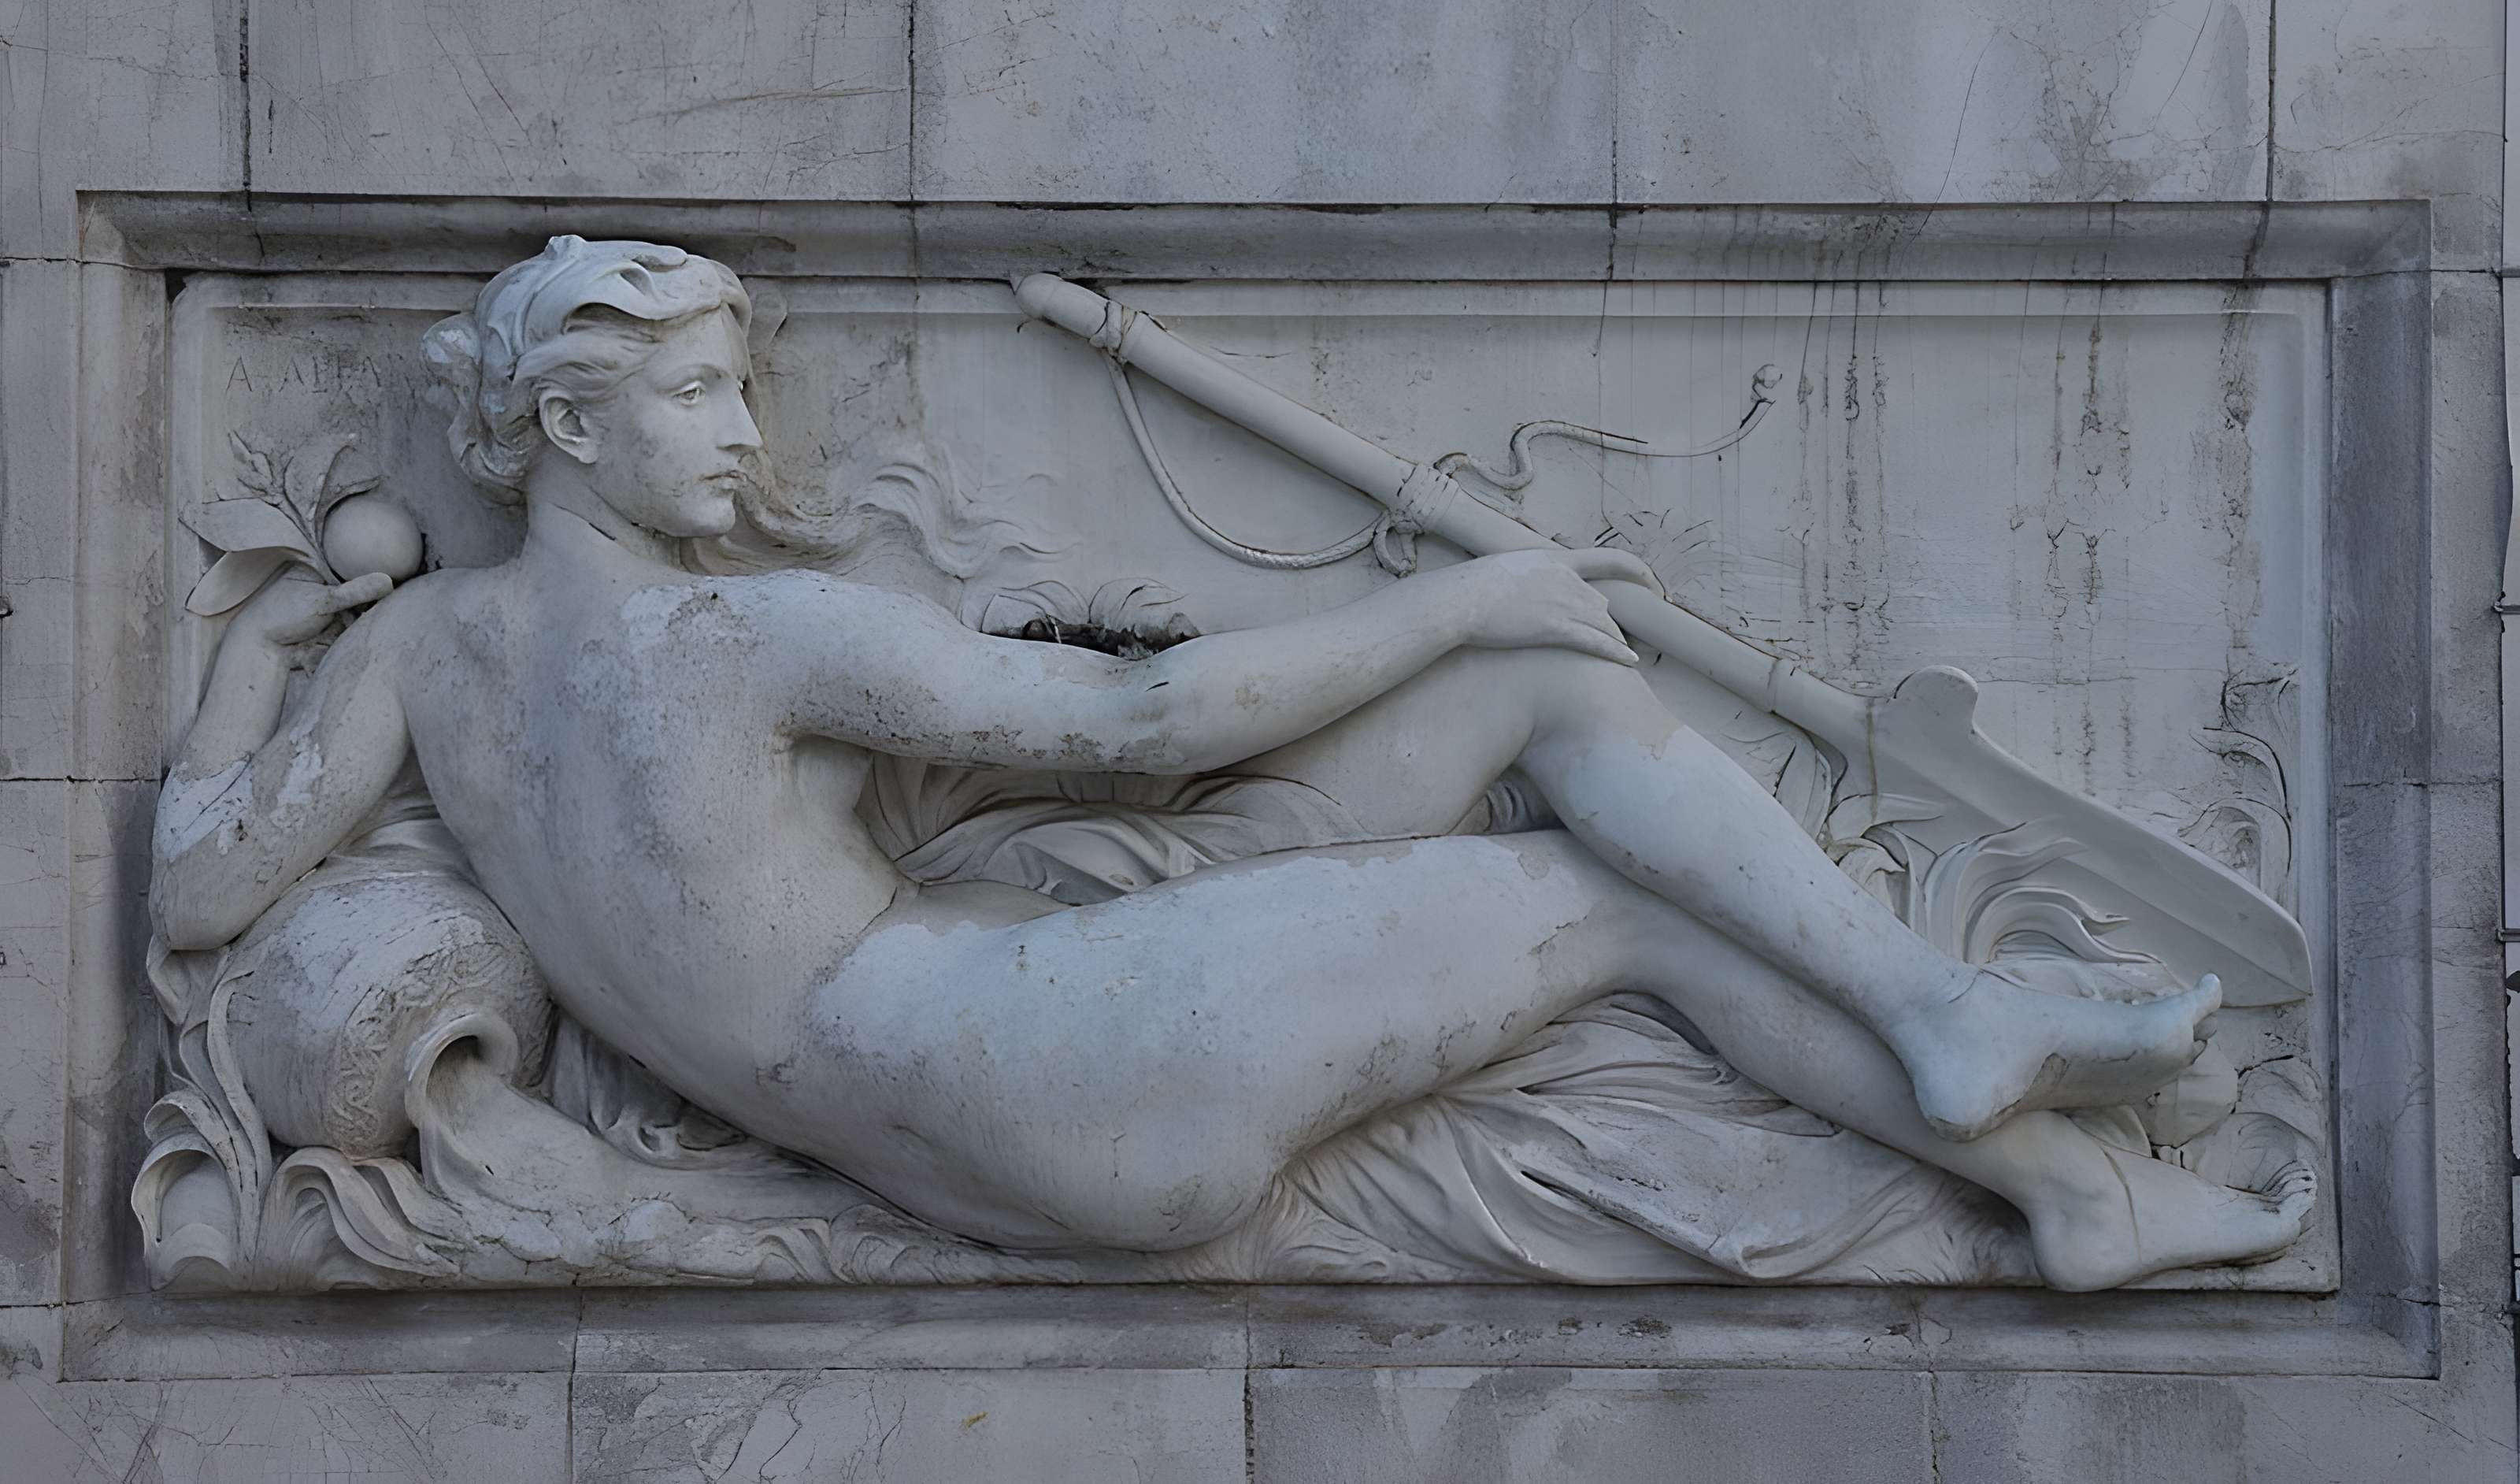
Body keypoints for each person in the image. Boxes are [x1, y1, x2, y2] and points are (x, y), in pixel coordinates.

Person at [151, 237, 2313, 1291]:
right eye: (708, 399)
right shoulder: (751, 634)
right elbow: (1141, 725)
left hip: (980, 1050)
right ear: (568, 430)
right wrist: (1467, 591)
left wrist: (255, 645)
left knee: (1560, 715)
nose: (750, 434)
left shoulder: (421, 656)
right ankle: (2038, 1158)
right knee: (1610, 895)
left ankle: (1982, 1063)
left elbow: (192, 886)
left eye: (742, 387)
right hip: (1050, 1076)